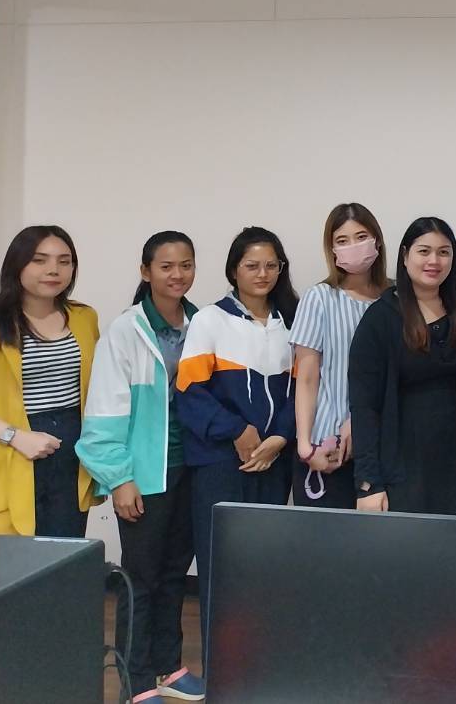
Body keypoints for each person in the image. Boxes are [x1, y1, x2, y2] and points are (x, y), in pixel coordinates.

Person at [77, 232, 207, 703]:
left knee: (175, 572)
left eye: (186, 265)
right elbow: (104, 410)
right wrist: (120, 478)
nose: (177, 274)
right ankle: (135, 680)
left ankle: (168, 667)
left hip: (191, 467)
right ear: (146, 271)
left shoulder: (201, 322)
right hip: (145, 474)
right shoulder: (126, 330)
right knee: (142, 577)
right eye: (166, 266)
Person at [176, 226, 297, 659]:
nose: (262, 274)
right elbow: (189, 392)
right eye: (252, 265)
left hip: (274, 461)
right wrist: (238, 432)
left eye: (271, 265)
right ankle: (224, 669)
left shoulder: (291, 321)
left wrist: (279, 437)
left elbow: (303, 390)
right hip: (221, 463)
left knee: (264, 565)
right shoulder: (210, 319)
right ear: (234, 270)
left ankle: (261, 665)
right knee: (222, 566)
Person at [350, 217, 456, 516]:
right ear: (405, 255)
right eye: (424, 251)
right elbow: (364, 407)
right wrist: (368, 483)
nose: (434, 261)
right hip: (402, 470)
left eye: (443, 252)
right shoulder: (380, 319)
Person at [0, 226, 99, 538]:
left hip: (72, 449)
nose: (54, 270)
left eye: (64, 261)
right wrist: (15, 437)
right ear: (17, 264)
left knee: (64, 552)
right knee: (14, 557)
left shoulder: (84, 317)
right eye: (40, 260)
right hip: (11, 447)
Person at [291, 203, 389, 509]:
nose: (353, 246)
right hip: (327, 451)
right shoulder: (319, 298)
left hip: (381, 448)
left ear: (377, 241)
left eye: (361, 237)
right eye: (342, 241)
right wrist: (305, 447)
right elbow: (307, 378)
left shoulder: (395, 299)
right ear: (331, 249)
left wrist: (360, 422)